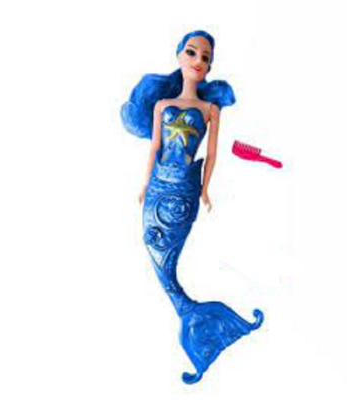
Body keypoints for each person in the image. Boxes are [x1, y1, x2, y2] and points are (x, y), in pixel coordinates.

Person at [121, 30, 264, 384]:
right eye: (192, 53)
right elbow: (154, 148)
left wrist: (204, 189)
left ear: (209, 66)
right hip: (158, 187)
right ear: (179, 56)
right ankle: (197, 321)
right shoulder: (161, 105)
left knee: (165, 251)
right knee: (154, 248)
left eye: (206, 57)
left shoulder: (210, 110)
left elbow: (211, 154)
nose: (199, 61)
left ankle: (203, 327)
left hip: (185, 190)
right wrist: (144, 184)